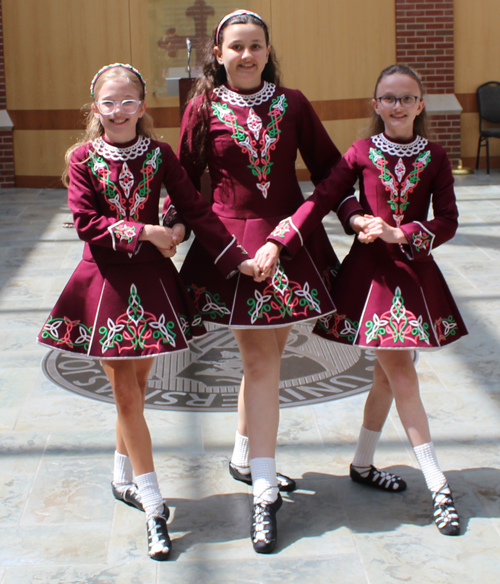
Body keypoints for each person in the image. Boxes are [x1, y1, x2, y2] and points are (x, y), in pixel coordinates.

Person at [37, 63, 261, 561]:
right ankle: (155, 505)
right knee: (127, 399)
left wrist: (195, 239)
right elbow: (86, 223)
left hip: (154, 285)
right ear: (95, 107)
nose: (119, 112)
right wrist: (145, 233)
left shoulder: (160, 154)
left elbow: (191, 207)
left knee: (136, 391)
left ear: (143, 106)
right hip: (108, 287)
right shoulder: (81, 158)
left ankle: (122, 474)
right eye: (109, 103)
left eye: (129, 102)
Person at [169, 10, 352, 553]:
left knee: (269, 356)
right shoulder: (201, 107)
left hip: (291, 244)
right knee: (261, 362)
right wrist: (168, 228)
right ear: (218, 54)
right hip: (232, 250)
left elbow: (332, 170)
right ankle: (266, 492)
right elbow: (182, 178)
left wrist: (352, 217)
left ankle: (244, 457)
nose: (246, 56)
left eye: (256, 46)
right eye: (236, 47)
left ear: (269, 51)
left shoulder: (293, 103)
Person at [260, 64, 467, 536]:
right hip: (371, 278)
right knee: (400, 371)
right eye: (388, 98)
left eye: (406, 98)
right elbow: (328, 196)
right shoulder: (361, 151)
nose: (397, 106)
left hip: (412, 273)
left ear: (420, 105)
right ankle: (438, 484)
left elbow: (449, 220)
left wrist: (404, 232)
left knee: (388, 376)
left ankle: (362, 463)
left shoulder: (435, 155)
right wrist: (298, 236)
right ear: (375, 105)